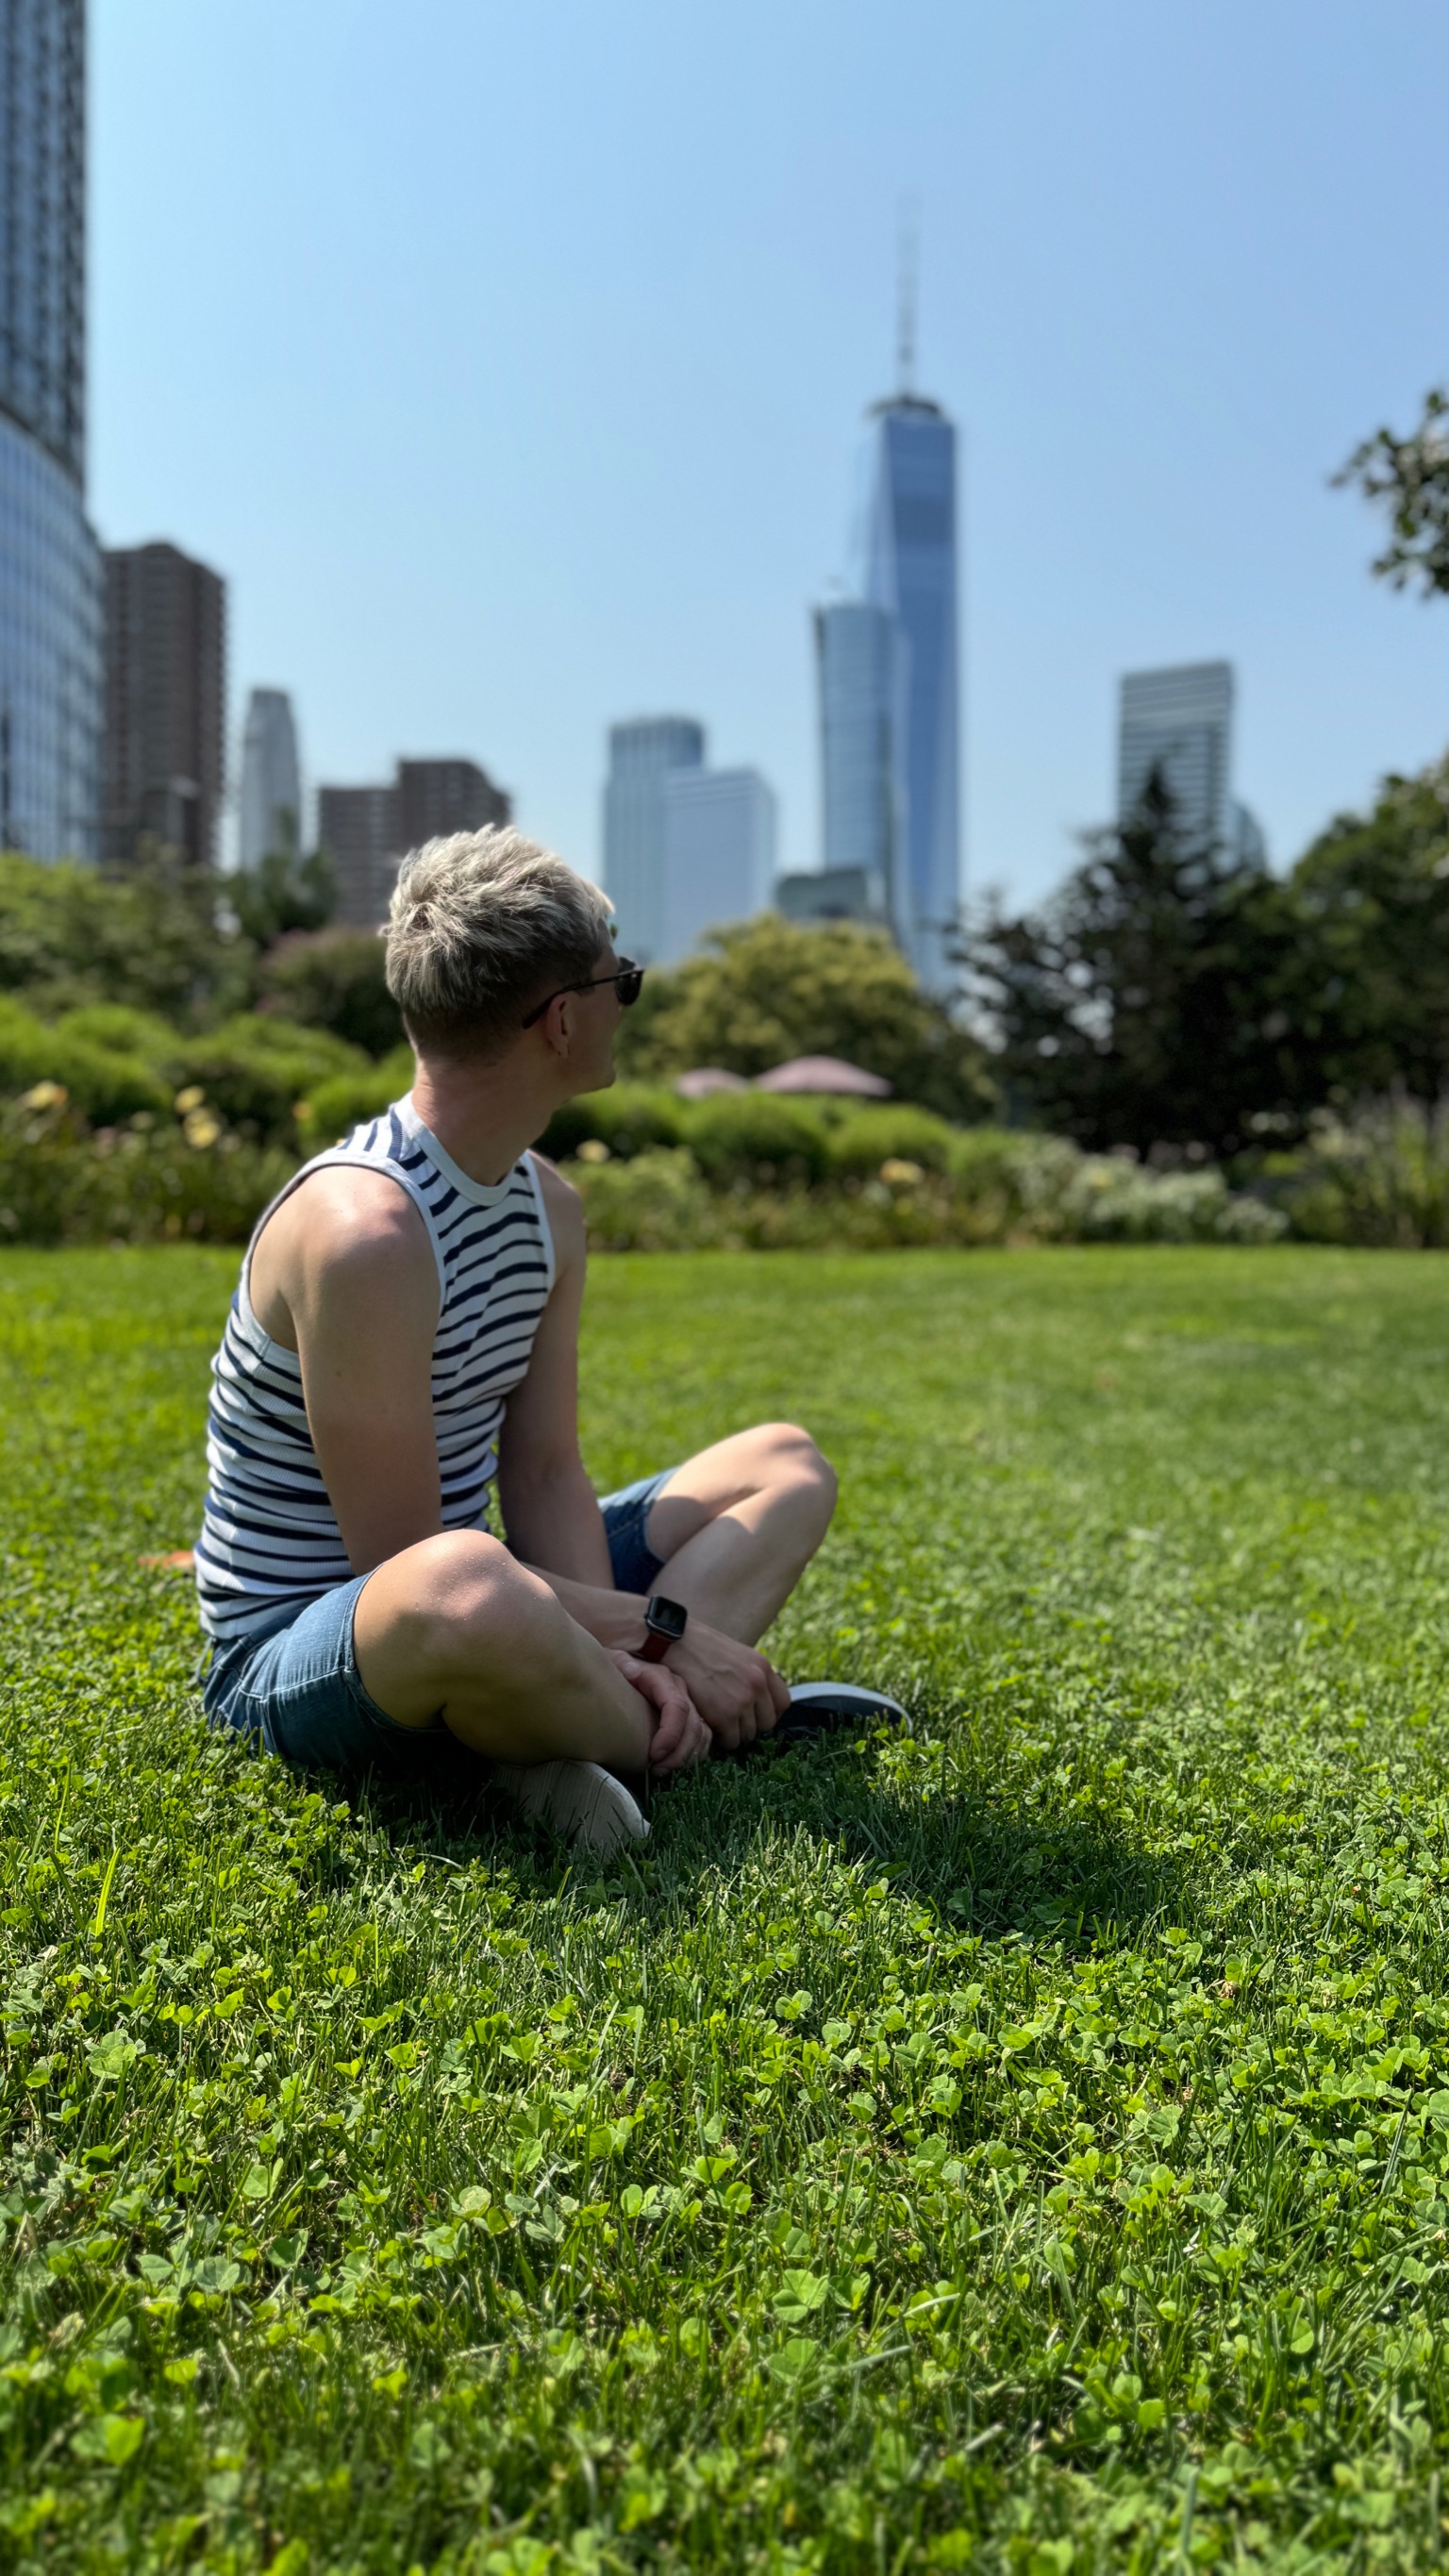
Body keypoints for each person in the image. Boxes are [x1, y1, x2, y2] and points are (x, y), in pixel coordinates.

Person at [196, 828, 902, 1852]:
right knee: (465, 1584)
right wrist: (671, 1635)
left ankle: (576, 1729)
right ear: (563, 1021)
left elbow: (543, 1469)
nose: (631, 1000)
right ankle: (657, 1725)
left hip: (477, 1586)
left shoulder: (547, 1211)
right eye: (628, 982)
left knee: (784, 1466)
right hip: (305, 1646)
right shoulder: (366, 1234)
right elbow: (399, 1562)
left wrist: (629, 1648)